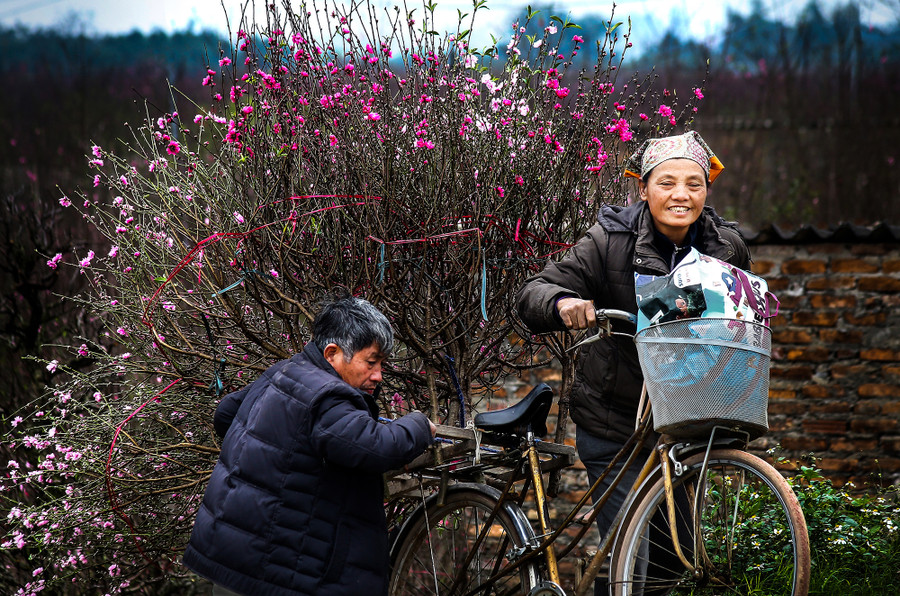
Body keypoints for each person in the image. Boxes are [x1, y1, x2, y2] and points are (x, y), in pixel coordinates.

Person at [515, 131, 750, 594]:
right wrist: (563, 302)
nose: (681, 195)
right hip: (615, 423)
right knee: (633, 555)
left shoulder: (727, 247)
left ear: (707, 189)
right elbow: (533, 293)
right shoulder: (608, 242)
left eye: (694, 183)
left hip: (684, 421)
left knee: (675, 558)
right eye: (666, 183)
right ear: (643, 189)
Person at [183, 292, 436, 596]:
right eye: (371, 362)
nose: (379, 375)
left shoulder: (285, 371)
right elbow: (378, 447)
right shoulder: (328, 396)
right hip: (273, 575)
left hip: (231, 556)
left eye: (381, 363)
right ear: (332, 354)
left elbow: (226, 413)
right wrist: (419, 425)